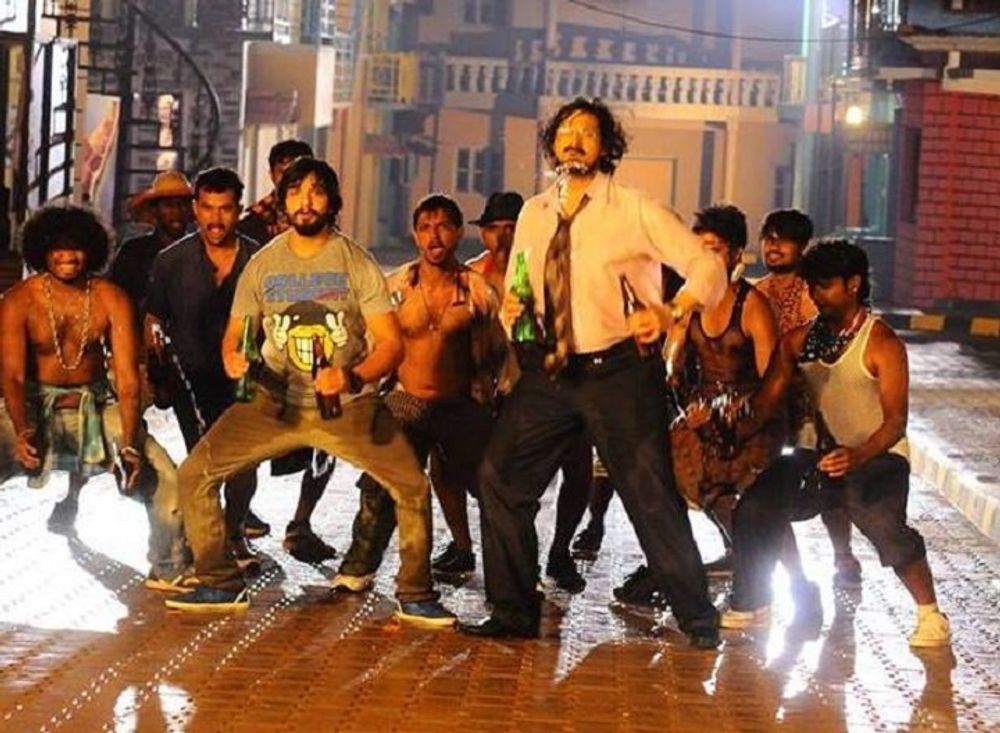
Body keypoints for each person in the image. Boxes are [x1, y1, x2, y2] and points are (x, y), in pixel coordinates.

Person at [458, 97, 728, 647]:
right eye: (565, 131)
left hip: (620, 372)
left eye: (588, 132)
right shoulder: (535, 213)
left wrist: (671, 310)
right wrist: (514, 312)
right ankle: (514, 611)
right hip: (549, 371)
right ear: (552, 144)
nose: (574, 140)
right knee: (500, 478)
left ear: (607, 148)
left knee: (650, 495)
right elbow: (521, 278)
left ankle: (698, 619)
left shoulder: (634, 209)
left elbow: (708, 266)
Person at [164, 158, 454, 626]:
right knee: (194, 474)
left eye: (317, 192)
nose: (305, 201)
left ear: (332, 202)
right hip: (272, 402)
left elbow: (391, 345)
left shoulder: (354, 260)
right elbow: (236, 337)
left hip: (348, 405)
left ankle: (416, 592)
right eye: (296, 192)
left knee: (411, 486)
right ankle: (218, 580)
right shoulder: (264, 263)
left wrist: (352, 376)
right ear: (282, 202)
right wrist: (234, 359)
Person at [724, 239, 950, 648]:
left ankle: (930, 613)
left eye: (824, 286)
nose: (815, 295)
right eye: (811, 286)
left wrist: (857, 455)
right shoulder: (798, 341)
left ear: (853, 284)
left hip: (876, 454)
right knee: (756, 505)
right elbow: (768, 399)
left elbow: (896, 422)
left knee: (882, 524)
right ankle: (756, 600)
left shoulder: (882, 343)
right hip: (814, 455)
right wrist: (736, 416)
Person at [0, 205, 190, 591]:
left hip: (97, 405)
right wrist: (21, 430)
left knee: (165, 475)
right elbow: (13, 376)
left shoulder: (110, 298)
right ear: (42, 251)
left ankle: (170, 566)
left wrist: (131, 444)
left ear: (91, 251)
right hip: (33, 407)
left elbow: (128, 379)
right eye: (58, 249)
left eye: (76, 248)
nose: (68, 257)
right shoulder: (18, 300)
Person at [333, 194, 506, 590]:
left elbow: (498, 353)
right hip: (405, 400)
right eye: (425, 228)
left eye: (443, 226)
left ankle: (510, 577)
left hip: (459, 402)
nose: (434, 236)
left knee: (495, 485)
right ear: (415, 235)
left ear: (458, 232)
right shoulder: (396, 287)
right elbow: (372, 346)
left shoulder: (477, 290)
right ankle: (359, 568)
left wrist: (492, 400)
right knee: (380, 483)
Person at [467, 190, 592, 591]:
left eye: (512, 228)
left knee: (577, 469)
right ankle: (505, 568)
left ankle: (560, 551)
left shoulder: (548, 269)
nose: (503, 237)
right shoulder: (473, 277)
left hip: (553, 382)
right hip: (498, 391)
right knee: (500, 481)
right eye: (495, 229)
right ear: (483, 233)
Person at [754, 209, 861, 588]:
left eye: (783, 240)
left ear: (802, 246)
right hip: (771, 406)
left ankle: (843, 555)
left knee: (831, 487)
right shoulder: (757, 292)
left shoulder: (815, 294)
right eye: (768, 239)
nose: (774, 247)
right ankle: (789, 573)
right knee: (762, 487)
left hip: (816, 407)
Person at [236, 139, 335, 544]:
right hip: (265, 352)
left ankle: (301, 522)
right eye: (285, 171)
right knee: (251, 439)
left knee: (326, 439)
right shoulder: (251, 226)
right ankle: (239, 515)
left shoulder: (323, 221)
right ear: (273, 175)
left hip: (316, 349)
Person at [110, 170, 193, 318]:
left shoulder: (200, 251)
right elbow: (116, 301)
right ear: (155, 210)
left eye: (182, 204)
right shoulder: (133, 252)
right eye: (168, 205)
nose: (177, 210)